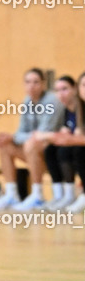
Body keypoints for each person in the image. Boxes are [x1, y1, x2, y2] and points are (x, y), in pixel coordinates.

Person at [0, 68, 61, 210]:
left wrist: (15, 136)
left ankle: (38, 195)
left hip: (54, 152)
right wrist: (11, 137)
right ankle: (11, 194)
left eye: (36, 82)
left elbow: (43, 133)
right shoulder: (27, 101)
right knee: (5, 145)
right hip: (35, 150)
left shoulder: (52, 101)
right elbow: (21, 131)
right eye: (28, 82)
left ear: (43, 84)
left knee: (31, 144)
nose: (31, 86)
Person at [26, 74, 82, 210]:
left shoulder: (80, 107)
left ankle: (73, 195)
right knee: (51, 150)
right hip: (73, 143)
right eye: (57, 90)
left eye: (65, 89)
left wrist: (51, 135)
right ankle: (60, 195)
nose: (61, 94)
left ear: (75, 89)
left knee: (71, 151)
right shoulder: (64, 110)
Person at [49, 71, 85, 213]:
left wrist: (73, 139)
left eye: (64, 89)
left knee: (77, 149)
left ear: (73, 89)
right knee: (54, 149)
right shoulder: (77, 108)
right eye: (83, 85)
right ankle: (65, 194)